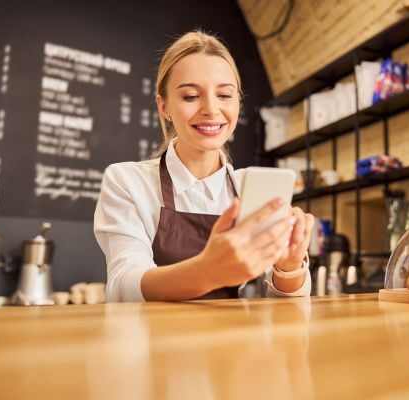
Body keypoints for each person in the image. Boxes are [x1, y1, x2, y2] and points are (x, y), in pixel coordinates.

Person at [94, 30, 314, 302]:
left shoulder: (250, 187)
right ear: (164, 106)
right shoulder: (127, 181)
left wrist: (289, 267)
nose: (211, 109)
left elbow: (286, 307)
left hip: (228, 341)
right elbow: (124, 285)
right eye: (190, 96)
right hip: (151, 342)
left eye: (224, 95)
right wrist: (207, 271)